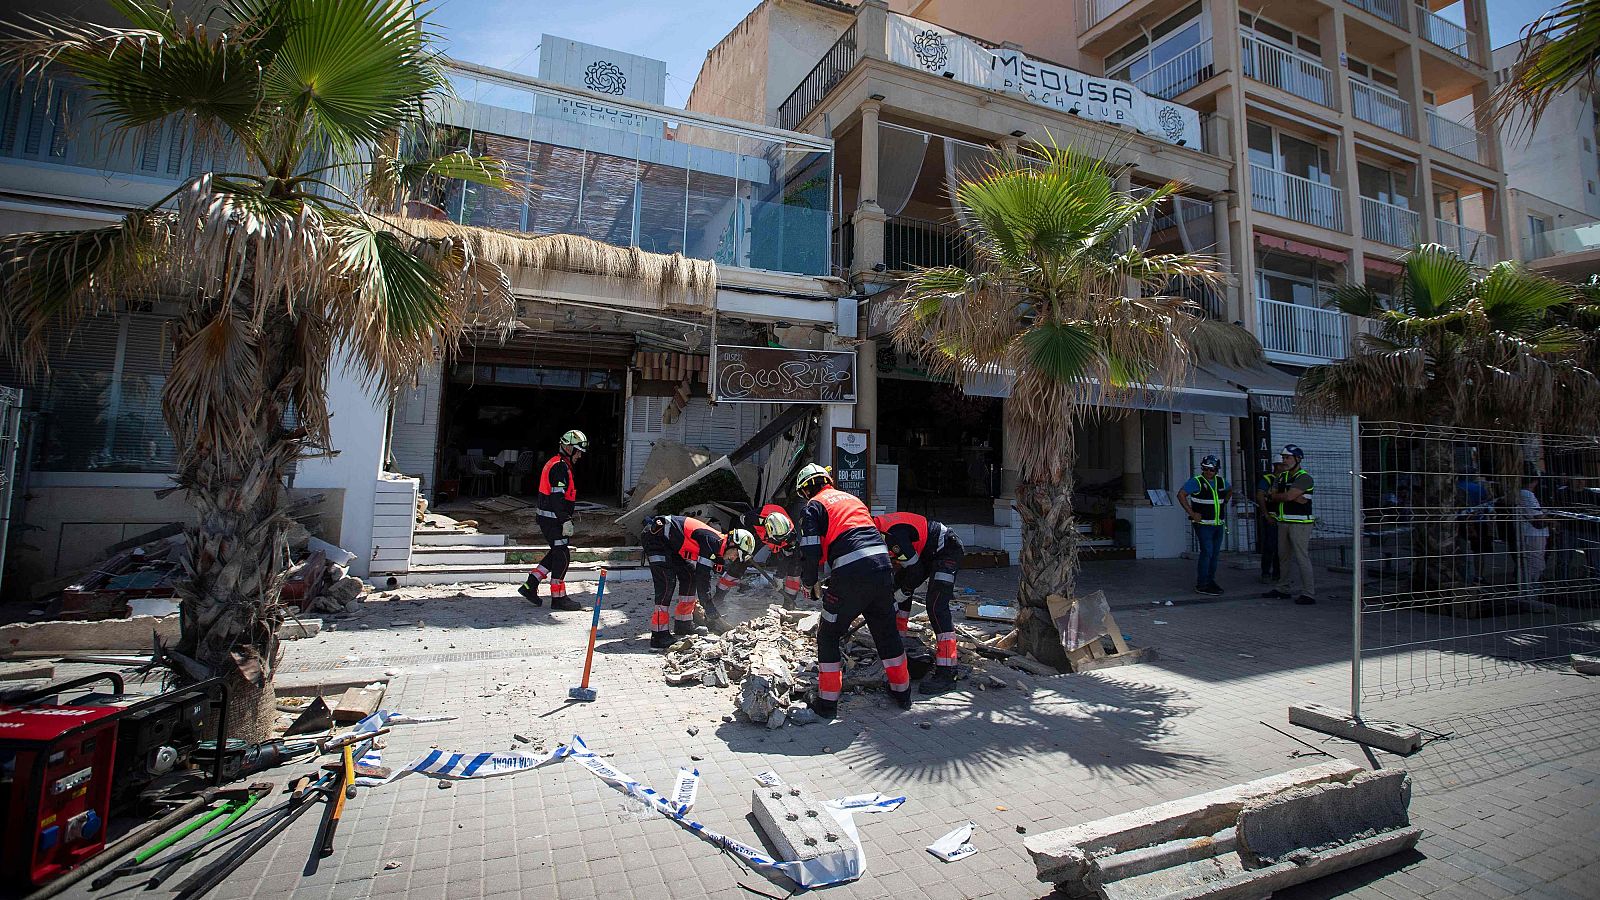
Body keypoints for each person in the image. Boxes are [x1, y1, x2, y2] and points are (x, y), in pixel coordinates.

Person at [795, 463, 911, 717]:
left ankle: (827, 704)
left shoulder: (813, 506)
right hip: (882, 569)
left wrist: (808, 582)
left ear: (805, 490)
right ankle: (902, 693)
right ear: (828, 480)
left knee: (828, 635)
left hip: (850, 572)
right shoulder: (851, 499)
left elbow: (811, 549)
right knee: (886, 633)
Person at [873, 512, 965, 694]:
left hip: (947, 549)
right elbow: (909, 573)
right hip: (926, 553)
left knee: (936, 606)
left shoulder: (892, 535)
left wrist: (901, 594)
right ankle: (899, 647)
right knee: (899, 586)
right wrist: (899, 593)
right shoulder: (878, 529)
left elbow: (915, 572)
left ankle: (947, 672)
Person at [641, 515, 756, 649]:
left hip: (670, 545)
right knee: (666, 583)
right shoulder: (712, 541)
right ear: (732, 543)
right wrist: (709, 608)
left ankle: (683, 624)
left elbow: (703, 572)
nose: (733, 558)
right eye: (736, 554)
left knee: (689, 576)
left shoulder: (717, 545)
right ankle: (659, 636)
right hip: (656, 538)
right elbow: (703, 577)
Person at [519, 430, 587, 611]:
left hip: (550, 519)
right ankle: (558, 598)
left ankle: (530, 585)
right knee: (562, 556)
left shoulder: (560, 464)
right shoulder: (559, 467)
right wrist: (565, 520)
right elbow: (557, 498)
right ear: (568, 447)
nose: (580, 455)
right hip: (553, 520)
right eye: (578, 451)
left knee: (557, 553)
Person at [715, 505, 803, 611]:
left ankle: (789, 604)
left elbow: (788, 558)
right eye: (777, 540)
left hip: (777, 536)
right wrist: (743, 548)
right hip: (757, 534)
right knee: (740, 562)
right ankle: (718, 597)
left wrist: (779, 576)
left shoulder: (789, 533)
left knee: (794, 567)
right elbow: (738, 530)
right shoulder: (753, 518)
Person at [1265, 444, 1317, 605]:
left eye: (1287, 458)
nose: (1284, 461)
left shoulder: (1304, 477)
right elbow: (1271, 495)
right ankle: (1282, 588)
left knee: (1302, 557)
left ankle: (1308, 593)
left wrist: (1285, 496)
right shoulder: (1281, 477)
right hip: (1284, 521)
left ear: (1297, 459)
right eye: (1283, 458)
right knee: (1283, 557)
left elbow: (1285, 497)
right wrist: (1289, 496)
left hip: (1300, 523)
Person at [1177, 455, 1230, 595]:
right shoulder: (1197, 481)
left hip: (1218, 524)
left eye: (1211, 469)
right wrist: (1192, 513)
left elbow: (1229, 490)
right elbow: (1181, 494)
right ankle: (1202, 584)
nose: (1208, 472)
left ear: (1216, 470)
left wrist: (1224, 502)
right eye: (1206, 469)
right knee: (1207, 552)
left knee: (1214, 554)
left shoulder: (1221, 481)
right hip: (1203, 524)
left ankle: (1210, 580)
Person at [1516, 474, 1552, 595]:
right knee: (1534, 561)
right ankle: (1529, 589)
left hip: (1536, 532)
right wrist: (1553, 520)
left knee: (1536, 560)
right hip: (1533, 533)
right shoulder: (1526, 494)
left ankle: (1531, 587)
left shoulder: (1527, 494)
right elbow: (1538, 516)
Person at [1254, 459, 1284, 583]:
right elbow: (1260, 495)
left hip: (1283, 517)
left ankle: (1278, 574)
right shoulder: (1268, 479)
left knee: (1281, 547)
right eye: (1282, 464)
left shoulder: (1286, 479)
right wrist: (1266, 514)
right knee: (1270, 545)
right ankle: (1266, 573)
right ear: (1277, 466)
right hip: (1271, 517)